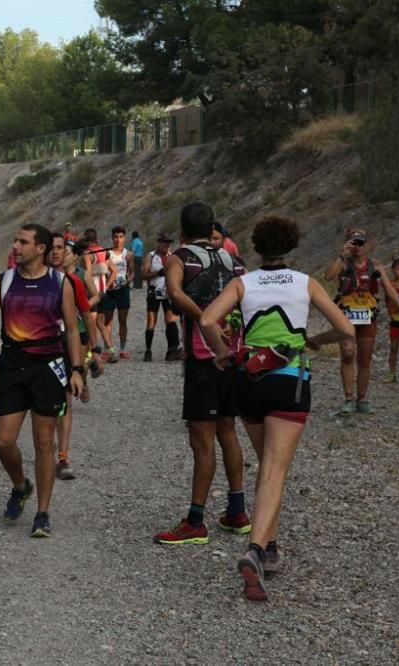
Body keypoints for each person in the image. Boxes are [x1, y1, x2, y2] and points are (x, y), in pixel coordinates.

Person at [199, 215, 355, 601]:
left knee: (269, 467)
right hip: (290, 380)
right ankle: (254, 549)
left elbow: (206, 319)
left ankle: (270, 548)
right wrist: (314, 339)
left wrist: (221, 354)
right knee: (274, 468)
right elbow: (347, 329)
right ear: (291, 245)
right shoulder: (305, 282)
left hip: (248, 381)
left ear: (257, 245)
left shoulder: (243, 282)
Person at [0, 224, 84, 538]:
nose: (16, 246)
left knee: (43, 443)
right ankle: (21, 485)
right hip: (13, 365)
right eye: (15, 239)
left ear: (41, 249)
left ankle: (43, 513)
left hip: (48, 366)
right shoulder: (3, 281)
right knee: (4, 441)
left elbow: (73, 331)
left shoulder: (59, 282)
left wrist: (76, 369)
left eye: (23, 242)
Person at [154, 202, 250, 546]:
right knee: (228, 430)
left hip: (203, 357)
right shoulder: (233, 260)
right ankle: (237, 511)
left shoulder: (180, 258)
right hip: (234, 355)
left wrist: (203, 318)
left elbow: (175, 293)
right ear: (212, 227)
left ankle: (195, 520)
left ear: (181, 231)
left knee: (202, 440)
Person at [324, 228, 399, 414]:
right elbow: (328, 276)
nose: (357, 247)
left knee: (365, 359)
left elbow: (389, 289)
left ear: (367, 244)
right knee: (347, 353)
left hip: (368, 315)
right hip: (346, 315)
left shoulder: (375, 266)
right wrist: (341, 254)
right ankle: (348, 398)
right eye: (353, 243)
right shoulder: (344, 263)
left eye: (360, 243)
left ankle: (362, 399)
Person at [48, 233, 100, 480]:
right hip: (38, 348)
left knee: (65, 401)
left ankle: (63, 456)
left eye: (61, 248)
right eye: (53, 248)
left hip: (65, 343)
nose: (57, 253)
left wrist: (96, 350)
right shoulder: (30, 279)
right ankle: (45, 443)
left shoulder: (74, 281)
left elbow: (87, 315)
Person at [141, 233, 181, 362]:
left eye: (169, 242)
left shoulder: (173, 256)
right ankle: (148, 351)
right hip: (154, 291)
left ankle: (171, 350)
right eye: (164, 242)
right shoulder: (151, 256)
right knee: (151, 320)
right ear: (158, 243)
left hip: (168, 292)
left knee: (169, 319)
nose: (167, 245)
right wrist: (158, 273)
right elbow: (143, 275)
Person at [99, 226, 135, 360]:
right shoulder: (107, 253)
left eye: (120, 237)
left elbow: (132, 273)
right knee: (107, 321)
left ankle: (123, 349)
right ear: (112, 237)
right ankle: (108, 348)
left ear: (124, 238)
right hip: (109, 291)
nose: (118, 240)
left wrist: (127, 282)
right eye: (115, 237)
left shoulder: (128, 254)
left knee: (123, 321)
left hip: (123, 290)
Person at [82, 227, 116, 362]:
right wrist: (107, 285)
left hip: (92, 294)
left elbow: (87, 274)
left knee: (90, 323)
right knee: (100, 324)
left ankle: (90, 354)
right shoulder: (104, 252)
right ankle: (111, 350)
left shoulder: (87, 253)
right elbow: (113, 271)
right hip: (103, 292)